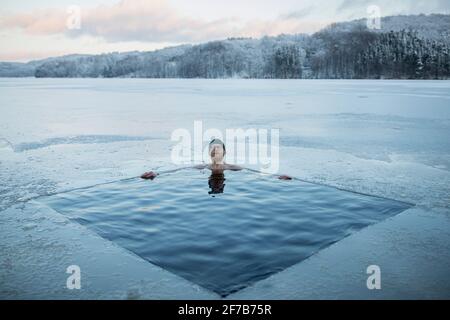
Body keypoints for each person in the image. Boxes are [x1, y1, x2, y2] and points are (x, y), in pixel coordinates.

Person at [141, 139, 292, 182]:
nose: (215, 150)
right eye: (212, 148)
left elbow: (254, 172)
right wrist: (157, 173)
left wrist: (276, 176)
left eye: (218, 148)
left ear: (224, 152)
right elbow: (179, 170)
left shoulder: (231, 167)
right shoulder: (203, 166)